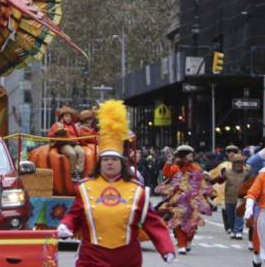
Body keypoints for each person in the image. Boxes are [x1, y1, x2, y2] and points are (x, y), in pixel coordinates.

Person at [55, 99, 175, 266]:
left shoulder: (137, 189)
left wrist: (166, 248)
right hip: (93, 257)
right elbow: (75, 215)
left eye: (113, 159)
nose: (109, 163)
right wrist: (66, 226)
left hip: (127, 258)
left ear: (121, 163)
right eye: (105, 160)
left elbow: (152, 222)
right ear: (99, 163)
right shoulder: (85, 188)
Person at [216, 155, 250, 239]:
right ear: (233, 164)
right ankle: (232, 229)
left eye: (240, 163)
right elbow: (220, 181)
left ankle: (238, 231)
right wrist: (220, 176)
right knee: (230, 216)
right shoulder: (227, 172)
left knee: (239, 214)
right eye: (237, 163)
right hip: (229, 197)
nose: (239, 165)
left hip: (241, 198)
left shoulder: (246, 173)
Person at [49, 106, 86, 180]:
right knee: (72, 154)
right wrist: (58, 132)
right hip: (64, 144)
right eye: (66, 116)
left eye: (70, 116)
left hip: (75, 144)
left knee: (82, 152)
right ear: (62, 117)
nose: (68, 118)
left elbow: (81, 135)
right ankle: (72, 173)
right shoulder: (57, 125)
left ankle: (78, 172)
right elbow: (50, 135)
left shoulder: (75, 126)